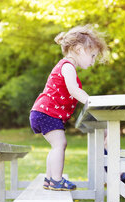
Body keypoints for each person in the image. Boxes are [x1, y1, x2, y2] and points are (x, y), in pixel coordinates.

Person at [29, 24, 108, 191]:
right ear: (79, 49)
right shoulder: (67, 66)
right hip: (46, 112)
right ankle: (56, 180)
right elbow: (74, 90)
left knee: (56, 145)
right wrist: (92, 103)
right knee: (60, 144)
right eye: (92, 56)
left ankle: (50, 179)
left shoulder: (66, 66)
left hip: (43, 112)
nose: (93, 61)